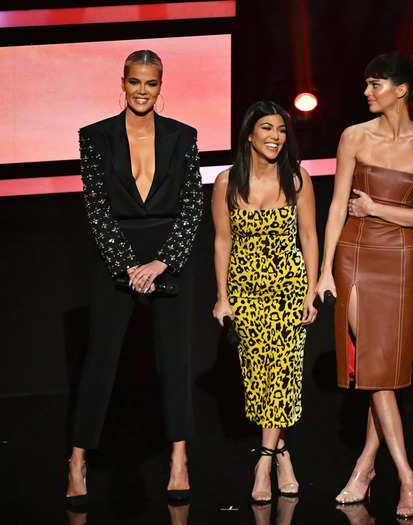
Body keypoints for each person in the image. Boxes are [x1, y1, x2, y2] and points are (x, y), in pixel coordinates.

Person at [65, 49, 203, 506]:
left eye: (152, 83)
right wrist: (127, 265)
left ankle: (179, 457)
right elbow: (97, 209)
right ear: (122, 82)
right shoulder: (94, 137)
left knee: (175, 361)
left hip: (167, 256)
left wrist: (163, 262)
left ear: (161, 85)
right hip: (116, 255)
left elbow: (192, 206)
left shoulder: (183, 136)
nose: (143, 91)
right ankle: (78, 460)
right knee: (100, 361)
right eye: (135, 82)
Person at [316, 52, 413, 519]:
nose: (366, 93)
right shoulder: (354, 136)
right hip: (353, 255)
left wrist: (376, 209)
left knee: (382, 371)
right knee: (373, 366)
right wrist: (324, 270)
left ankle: (366, 466)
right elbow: (335, 207)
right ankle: (407, 478)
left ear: (401, 89)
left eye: (375, 85)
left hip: (400, 259)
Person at [211, 101, 318, 504]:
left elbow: (308, 236)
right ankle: (283, 454)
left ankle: (263, 462)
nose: (275, 137)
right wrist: (222, 296)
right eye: (267, 129)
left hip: (288, 287)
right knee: (260, 378)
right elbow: (222, 240)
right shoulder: (226, 182)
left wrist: (310, 288)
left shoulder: (297, 179)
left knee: (282, 373)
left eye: (282, 130)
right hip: (245, 292)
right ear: (250, 135)